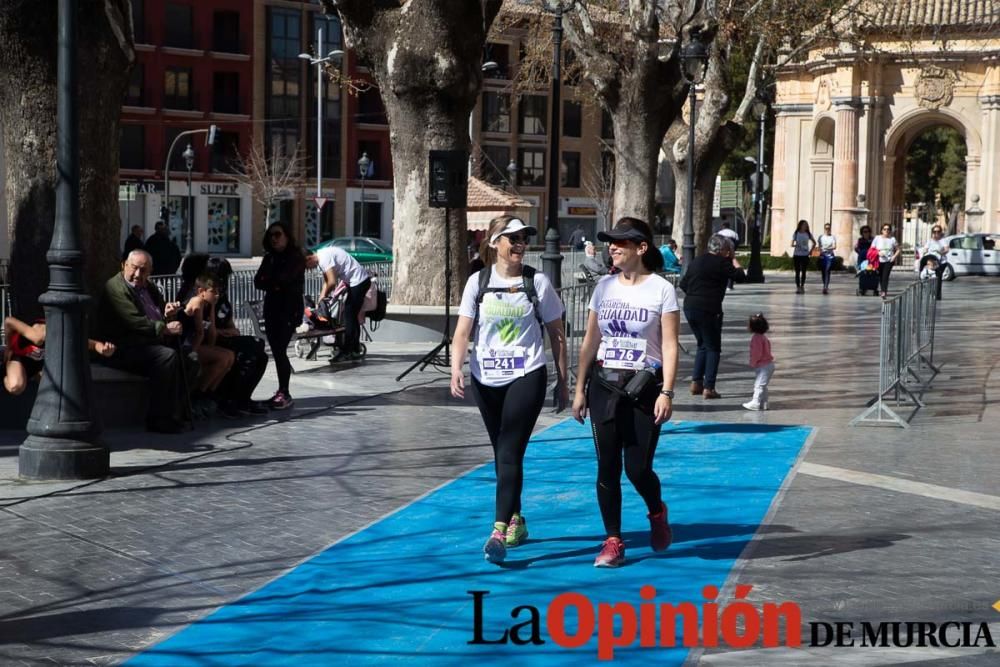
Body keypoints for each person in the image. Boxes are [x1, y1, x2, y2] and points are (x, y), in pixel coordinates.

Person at [450, 215, 568, 565]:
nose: (519, 245)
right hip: (485, 376)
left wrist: (563, 380)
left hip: (526, 374)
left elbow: (557, 333)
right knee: (503, 451)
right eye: (512, 238)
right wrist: (456, 367)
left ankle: (498, 531)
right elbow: (462, 332)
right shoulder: (478, 282)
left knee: (509, 449)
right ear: (494, 243)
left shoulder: (538, 282)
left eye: (523, 239)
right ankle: (516, 518)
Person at [571, 217, 679, 568]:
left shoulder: (661, 289)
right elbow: (590, 341)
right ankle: (613, 540)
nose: (612, 247)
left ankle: (656, 511)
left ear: (641, 248)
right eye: (610, 242)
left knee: (637, 469)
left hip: (644, 388)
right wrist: (579, 388)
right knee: (606, 467)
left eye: (620, 242)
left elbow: (670, 345)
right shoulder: (603, 287)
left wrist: (667, 392)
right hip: (604, 385)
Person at [96, 249, 192, 433]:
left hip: (148, 341)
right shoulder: (115, 288)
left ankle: (180, 411)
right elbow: (134, 321)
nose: (138, 274)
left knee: (190, 358)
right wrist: (164, 328)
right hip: (123, 346)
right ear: (124, 265)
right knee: (167, 356)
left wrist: (167, 313)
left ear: (150, 271)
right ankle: (158, 418)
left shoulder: (149, 286)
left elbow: (160, 310)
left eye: (144, 270)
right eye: (134, 268)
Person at [679, 234, 746, 399]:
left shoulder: (697, 261)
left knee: (702, 344)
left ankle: (696, 382)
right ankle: (709, 387)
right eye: (728, 249)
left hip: (690, 307)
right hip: (709, 310)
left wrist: (696, 295)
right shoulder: (722, 263)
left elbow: (683, 284)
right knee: (713, 348)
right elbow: (741, 276)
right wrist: (734, 259)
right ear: (723, 249)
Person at [206, 257, 270, 414]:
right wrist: (224, 332)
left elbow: (232, 327)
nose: (223, 280)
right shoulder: (208, 295)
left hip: (226, 337)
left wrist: (228, 331)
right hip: (212, 341)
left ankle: (243, 398)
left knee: (261, 355)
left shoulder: (223, 297)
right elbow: (208, 328)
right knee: (251, 350)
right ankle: (230, 400)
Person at [254, 222, 305, 410]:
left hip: (289, 310)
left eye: (277, 234)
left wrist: (273, 282)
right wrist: (274, 283)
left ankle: (285, 391)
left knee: (280, 349)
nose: (274, 238)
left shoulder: (295, 257)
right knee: (276, 350)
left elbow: (285, 280)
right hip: (272, 309)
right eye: (270, 235)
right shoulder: (269, 258)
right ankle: (282, 390)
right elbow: (258, 281)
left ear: (287, 236)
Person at [3, 317, 115, 396]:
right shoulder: (38, 336)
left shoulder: (66, 336)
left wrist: (104, 350)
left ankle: (37, 375)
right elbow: (9, 321)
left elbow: (94, 344)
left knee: (57, 390)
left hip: (41, 363)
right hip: (20, 358)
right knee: (16, 387)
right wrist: (8, 348)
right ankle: (6, 375)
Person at [180, 274, 237, 418]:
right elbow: (199, 332)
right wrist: (194, 353)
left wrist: (212, 349)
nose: (217, 295)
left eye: (218, 292)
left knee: (229, 357)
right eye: (213, 292)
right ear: (201, 291)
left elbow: (211, 331)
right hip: (188, 345)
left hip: (198, 344)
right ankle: (197, 396)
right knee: (222, 358)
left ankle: (207, 394)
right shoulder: (197, 302)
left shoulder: (209, 304)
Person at [305, 243, 372, 362]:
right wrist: (320, 300)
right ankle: (355, 348)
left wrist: (324, 297)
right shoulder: (322, 257)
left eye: (307, 266)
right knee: (351, 315)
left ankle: (348, 351)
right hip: (357, 281)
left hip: (359, 281)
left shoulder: (324, 259)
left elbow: (331, 282)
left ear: (309, 258)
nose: (309, 269)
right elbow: (326, 282)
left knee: (349, 314)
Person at [743, 313, 774, 411]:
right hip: (768, 365)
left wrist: (753, 362)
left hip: (763, 366)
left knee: (758, 385)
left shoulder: (756, 338)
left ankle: (755, 402)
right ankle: (764, 403)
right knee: (763, 385)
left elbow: (757, 353)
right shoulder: (763, 337)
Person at [920, 225, 948, 300]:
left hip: (940, 262)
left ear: (940, 232)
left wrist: (942, 252)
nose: (936, 233)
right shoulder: (929, 241)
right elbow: (925, 249)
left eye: (938, 231)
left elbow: (946, 249)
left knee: (938, 278)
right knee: (930, 277)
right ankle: (930, 292)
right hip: (931, 261)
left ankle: (938, 295)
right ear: (932, 232)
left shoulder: (943, 241)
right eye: (934, 232)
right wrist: (924, 252)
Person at [872, 223, 900, 297]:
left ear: (890, 231)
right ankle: (882, 289)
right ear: (881, 230)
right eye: (884, 229)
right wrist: (878, 253)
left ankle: (884, 291)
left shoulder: (892, 239)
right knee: (880, 276)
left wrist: (894, 257)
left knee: (885, 276)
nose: (886, 231)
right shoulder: (877, 238)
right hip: (878, 260)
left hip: (889, 261)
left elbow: (898, 250)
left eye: (888, 229)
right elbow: (872, 249)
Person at [790, 220, 815, 294]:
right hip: (797, 254)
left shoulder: (808, 234)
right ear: (800, 225)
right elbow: (791, 244)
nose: (805, 226)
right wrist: (796, 245)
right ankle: (798, 287)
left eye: (806, 225)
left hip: (805, 255)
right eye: (804, 225)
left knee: (803, 271)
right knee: (797, 272)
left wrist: (810, 251)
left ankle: (802, 286)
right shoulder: (796, 233)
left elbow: (814, 243)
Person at [717, 223, 739, 290]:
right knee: (730, 268)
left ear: (723, 227)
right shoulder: (734, 233)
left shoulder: (719, 233)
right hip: (730, 253)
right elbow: (737, 242)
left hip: (721, 253)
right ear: (729, 226)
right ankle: (729, 285)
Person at [817, 223, 837, 294]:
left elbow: (834, 246)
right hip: (823, 255)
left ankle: (825, 287)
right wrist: (821, 250)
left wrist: (828, 248)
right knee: (823, 271)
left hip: (830, 255)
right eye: (826, 228)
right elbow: (819, 247)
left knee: (827, 270)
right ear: (824, 229)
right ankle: (824, 285)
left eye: (828, 228)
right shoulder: (821, 237)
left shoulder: (832, 237)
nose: (827, 230)